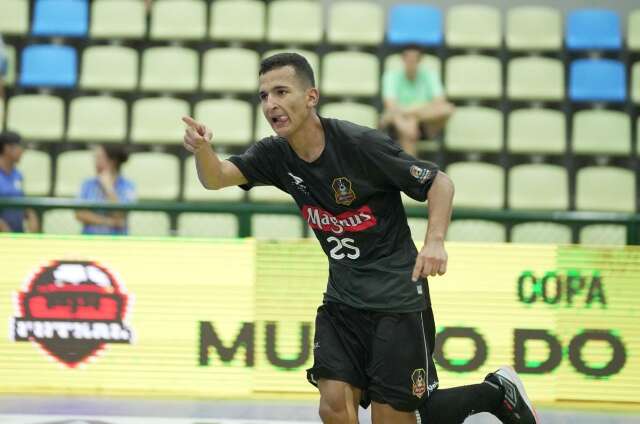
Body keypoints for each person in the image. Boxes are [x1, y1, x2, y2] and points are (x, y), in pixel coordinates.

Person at [182, 53, 539, 424]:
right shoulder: (275, 155)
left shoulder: (359, 145)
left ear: (311, 97)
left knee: (393, 418)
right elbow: (217, 177)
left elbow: (439, 182)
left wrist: (434, 241)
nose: (271, 104)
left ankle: (497, 390)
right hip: (342, 300)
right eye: (263, 96)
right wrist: (204, 150)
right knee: (333, 407)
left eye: (281, 91)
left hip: (396, 298)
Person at [380, 45, 455, 157]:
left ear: (420, 60)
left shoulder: (430, 75)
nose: (411, 62)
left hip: (424, 121)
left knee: (447, 109)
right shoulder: (391, 76)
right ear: (403, 59)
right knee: (405, 130)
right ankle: (411, 172)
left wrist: (412, 115)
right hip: (400, 122)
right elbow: (390, 105)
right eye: (408, 58)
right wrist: (414, 114)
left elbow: (440, 101)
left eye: (414, 59)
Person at [75, 144, 135, 235]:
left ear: (112, 161)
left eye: (100, 158)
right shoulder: (87, 184)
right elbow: (80, 214)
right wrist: (111, 222)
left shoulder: (127, 186)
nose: (95, 162)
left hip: (117, 241)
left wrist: (109, 188)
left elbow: (120, 215)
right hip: (90, 240)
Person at [0, 131, 40, 233]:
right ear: (7, 148)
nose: (22, 151)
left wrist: (31, 216)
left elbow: (22, 201)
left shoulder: (18, 175)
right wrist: (4, 230)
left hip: (16, 234)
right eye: (19, 147)